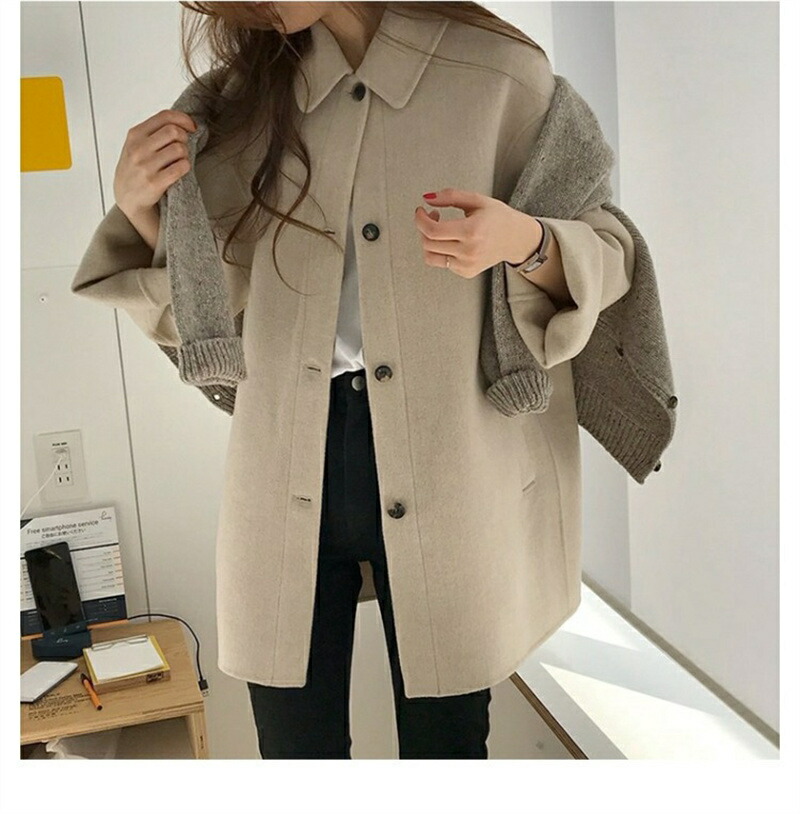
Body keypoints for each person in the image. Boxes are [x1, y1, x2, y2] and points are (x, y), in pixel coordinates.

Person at [72, 1, 637, 759]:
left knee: (447, 753)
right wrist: (143, 209)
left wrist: (526, 242)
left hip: (453, 457)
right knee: (293, 750)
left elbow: (611, 251)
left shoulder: (499, 76)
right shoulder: (239, 102)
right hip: (287, 457)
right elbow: (212, 307)